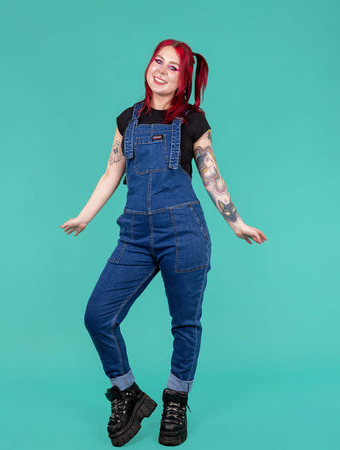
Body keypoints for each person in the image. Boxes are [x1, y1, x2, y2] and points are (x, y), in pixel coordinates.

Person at [60, 39, 267, 447]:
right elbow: (110, 174)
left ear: (183, 79)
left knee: (185, 323)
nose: (162, 70)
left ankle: (176, 398)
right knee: (98, 316)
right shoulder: (127, 120)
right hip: (134, 236)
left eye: (173, 67)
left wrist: (235, 221)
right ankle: (128, 393)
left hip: (183, 233)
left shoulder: (192, 121)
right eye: (158, 61)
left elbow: (211, 176)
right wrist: (85, 215)